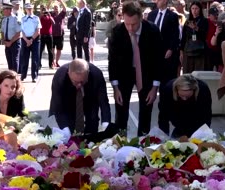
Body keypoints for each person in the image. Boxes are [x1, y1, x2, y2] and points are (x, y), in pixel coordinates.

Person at [108, 1, 163, 136]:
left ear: (141, 18)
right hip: (124, 73)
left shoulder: (153, 31)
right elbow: (113, 61)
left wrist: (154, 87)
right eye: (127, 24)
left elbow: (158, 60)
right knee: (121, 111)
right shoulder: (117, 31)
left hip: (146, 73)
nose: (130, 28)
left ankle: (143, 143)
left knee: (146, 110)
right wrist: (116, 88)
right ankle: (120, 143)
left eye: (134, 24)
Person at [49, 59, 111, 134]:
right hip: (68, 100)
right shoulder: (60, 77)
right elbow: (58, 107)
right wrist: (65, 129)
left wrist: (105, 125)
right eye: (75, 81)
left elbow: (103, 102)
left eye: (82, 81)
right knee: (69, 128)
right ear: (69, 73)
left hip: (90, 97)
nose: (79, 85)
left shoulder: (96, 74)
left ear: (87, 73)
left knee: (92, 121)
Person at [147, 0, 180, 86]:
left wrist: (171, 49)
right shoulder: (151, 15)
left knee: (166, 80)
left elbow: (175, 35)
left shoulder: (173, 16)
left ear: (165, 1)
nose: (156, 1)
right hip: (153, 52)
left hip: (166, 52)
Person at [180, 1, 208, 74]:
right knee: (187, 71)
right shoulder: (187, 21)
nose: (194, 11)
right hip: (188, 49)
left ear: (200, 9)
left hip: (200, 49)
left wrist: (196, 28)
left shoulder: (204, 21)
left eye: (196, 8)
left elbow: (205, 35)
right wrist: (181, 52)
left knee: (198, 72)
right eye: (192, 8)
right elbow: (183, 37)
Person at [19, 3, 40, 82]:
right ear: (25, 10)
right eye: (28, 9)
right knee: (24, 59)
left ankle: (34, 76)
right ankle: (23, 75)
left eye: (31, 8)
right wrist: (26, 40)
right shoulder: (23, 19)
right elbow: (22, 31)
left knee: (35, 59)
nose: (29, 10)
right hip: (25, 39)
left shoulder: (36, 18)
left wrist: (31, 40)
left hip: (34, 39)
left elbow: (38, 30)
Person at [1, 2, 21, 72]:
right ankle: (11, 77)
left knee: (14, 60)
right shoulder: (4, 20)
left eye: (4, 9)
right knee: (9, 60)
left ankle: (15, 77)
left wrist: (11, 42)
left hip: (14, 42)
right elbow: (2, 31)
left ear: (9, 10)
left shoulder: (15, 19)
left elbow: (18, 33)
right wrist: (3, 40)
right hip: (7, 43)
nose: (3, 11)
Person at [49, 0, 66, 68]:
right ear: (53, 9)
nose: (56, 9)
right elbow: (46, 10)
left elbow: (65, 8)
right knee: (52, 49)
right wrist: (50, 2)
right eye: (55, 8)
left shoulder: (61, 14)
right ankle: (53, 62)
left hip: (60, 35)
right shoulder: (51, 14)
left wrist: (61, 1)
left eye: (57, 8)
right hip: (52, 35)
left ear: (59, 8)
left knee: (59, 49)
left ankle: (57, 61)